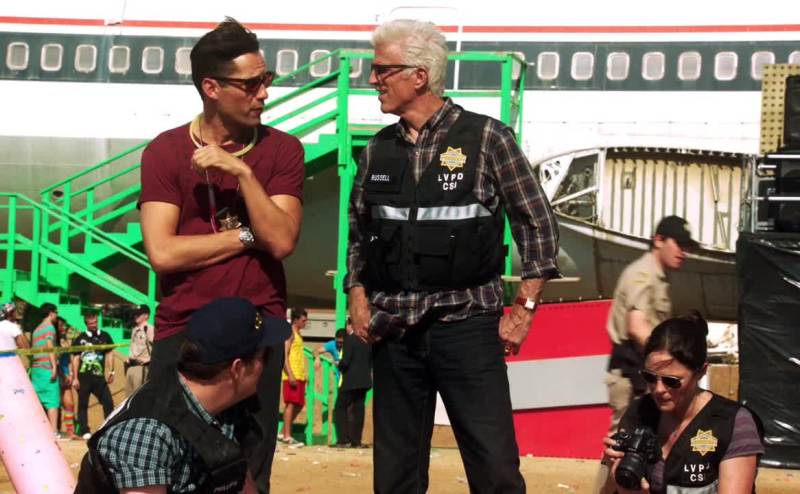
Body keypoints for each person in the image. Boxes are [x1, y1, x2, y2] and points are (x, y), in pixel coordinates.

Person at [345, 20, 560, 493]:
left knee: (495, 471)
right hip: (395, 332)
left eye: (382, 70)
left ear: (419, 76)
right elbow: (359, 234)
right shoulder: (377, 150)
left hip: (466, 328)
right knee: (395, 479)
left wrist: (524, 308)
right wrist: (356, 294)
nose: (372, 79)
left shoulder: (487, 139)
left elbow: (538, 224)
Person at [138, 18, 304, 492]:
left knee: (248, 474)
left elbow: (282, 241)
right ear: (211, 88)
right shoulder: (165, 152)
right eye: (251, 84)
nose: (264, 94)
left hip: (256, 333)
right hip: (184, 332)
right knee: (171, 467)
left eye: (266, 80)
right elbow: (163, 253)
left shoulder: (283, 151)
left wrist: (243, 173)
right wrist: (249, 236)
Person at [75, 297, 292, 493]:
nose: (268, 365)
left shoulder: (224, 409)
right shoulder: (147, 432)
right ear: (237, 369)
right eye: (265, 356)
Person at [601, 313, 763, 493]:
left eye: (671, 381)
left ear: (701, 372)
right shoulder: (640, 412)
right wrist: (613, 472)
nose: (658, 389)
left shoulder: (733, 424)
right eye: (650, 377)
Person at [595, 216, 699, 493]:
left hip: (647, 374)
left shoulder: (659, 277)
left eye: (687, 247)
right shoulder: (643, 274)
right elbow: (637, 326)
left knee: (638, 447)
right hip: (632, 371)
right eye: (679, 244)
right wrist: (672, 362)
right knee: (620, 448)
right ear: (659, 240)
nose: (684, 252)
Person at [72, 312, 115, 439]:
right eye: (91, 323)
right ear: (86, 324)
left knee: (108, 402)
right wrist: (75, 378)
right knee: (82, 404)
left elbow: (109, 353)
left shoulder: (105, 336)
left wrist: (111, 371)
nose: (94, 325)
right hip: (83, 377)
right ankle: (84, 430)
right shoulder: (80, 338)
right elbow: (75, 358)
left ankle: (109, 428)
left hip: (99, 377)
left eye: (95, 322)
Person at [333, 329, 372, 448]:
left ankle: (343, 439)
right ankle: (356, 441)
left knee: (340, 407)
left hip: (351, 381)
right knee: (359, 409)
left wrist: (338, 364)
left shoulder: (350, 340)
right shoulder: (367, 340)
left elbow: (346, 362)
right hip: (364, 380)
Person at [30, 303, 61, 434]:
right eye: (56, 312)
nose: (57, 315)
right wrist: (54, 367)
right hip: (46, 368)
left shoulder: (37, 330)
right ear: (51, 313)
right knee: (52, 401)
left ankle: (39, 431)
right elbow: (49, 346)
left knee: (38, 401)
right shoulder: (49, 328)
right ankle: (53, 431)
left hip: (36, 370)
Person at [279, 308, 307, 447]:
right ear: (296, 320)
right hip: (292, 374)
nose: (305, 323)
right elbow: (284, 354)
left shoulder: (298, 334)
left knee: (300, 404)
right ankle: (287, 435)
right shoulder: (290, 333)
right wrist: (290, 374)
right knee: (291, 404)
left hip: (299, 375)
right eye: (303, 320)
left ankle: (283, 432)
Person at [57, 316, 80, 440]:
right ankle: (54, 430)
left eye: (65, 325)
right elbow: (55, 361)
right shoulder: (54, 340)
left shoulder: (66, 340)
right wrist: (62, 375)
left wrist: (71, 374)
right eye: (62, 325)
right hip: (57, 375)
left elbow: (71, 359)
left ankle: (70, 432)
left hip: (66, 375)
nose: (64, 327)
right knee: (54, 405)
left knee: (69, 404)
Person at [125, 305, 154, 396]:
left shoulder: (149, 329)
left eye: (138, 314)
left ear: (146, 316)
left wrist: (149, 359)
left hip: (141, 368)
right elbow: (132, 346)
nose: (135, 316)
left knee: (138, 397)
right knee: (128, 397)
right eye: (135, 314)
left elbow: (158, 347)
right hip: (130, 367)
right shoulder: (134, 329)